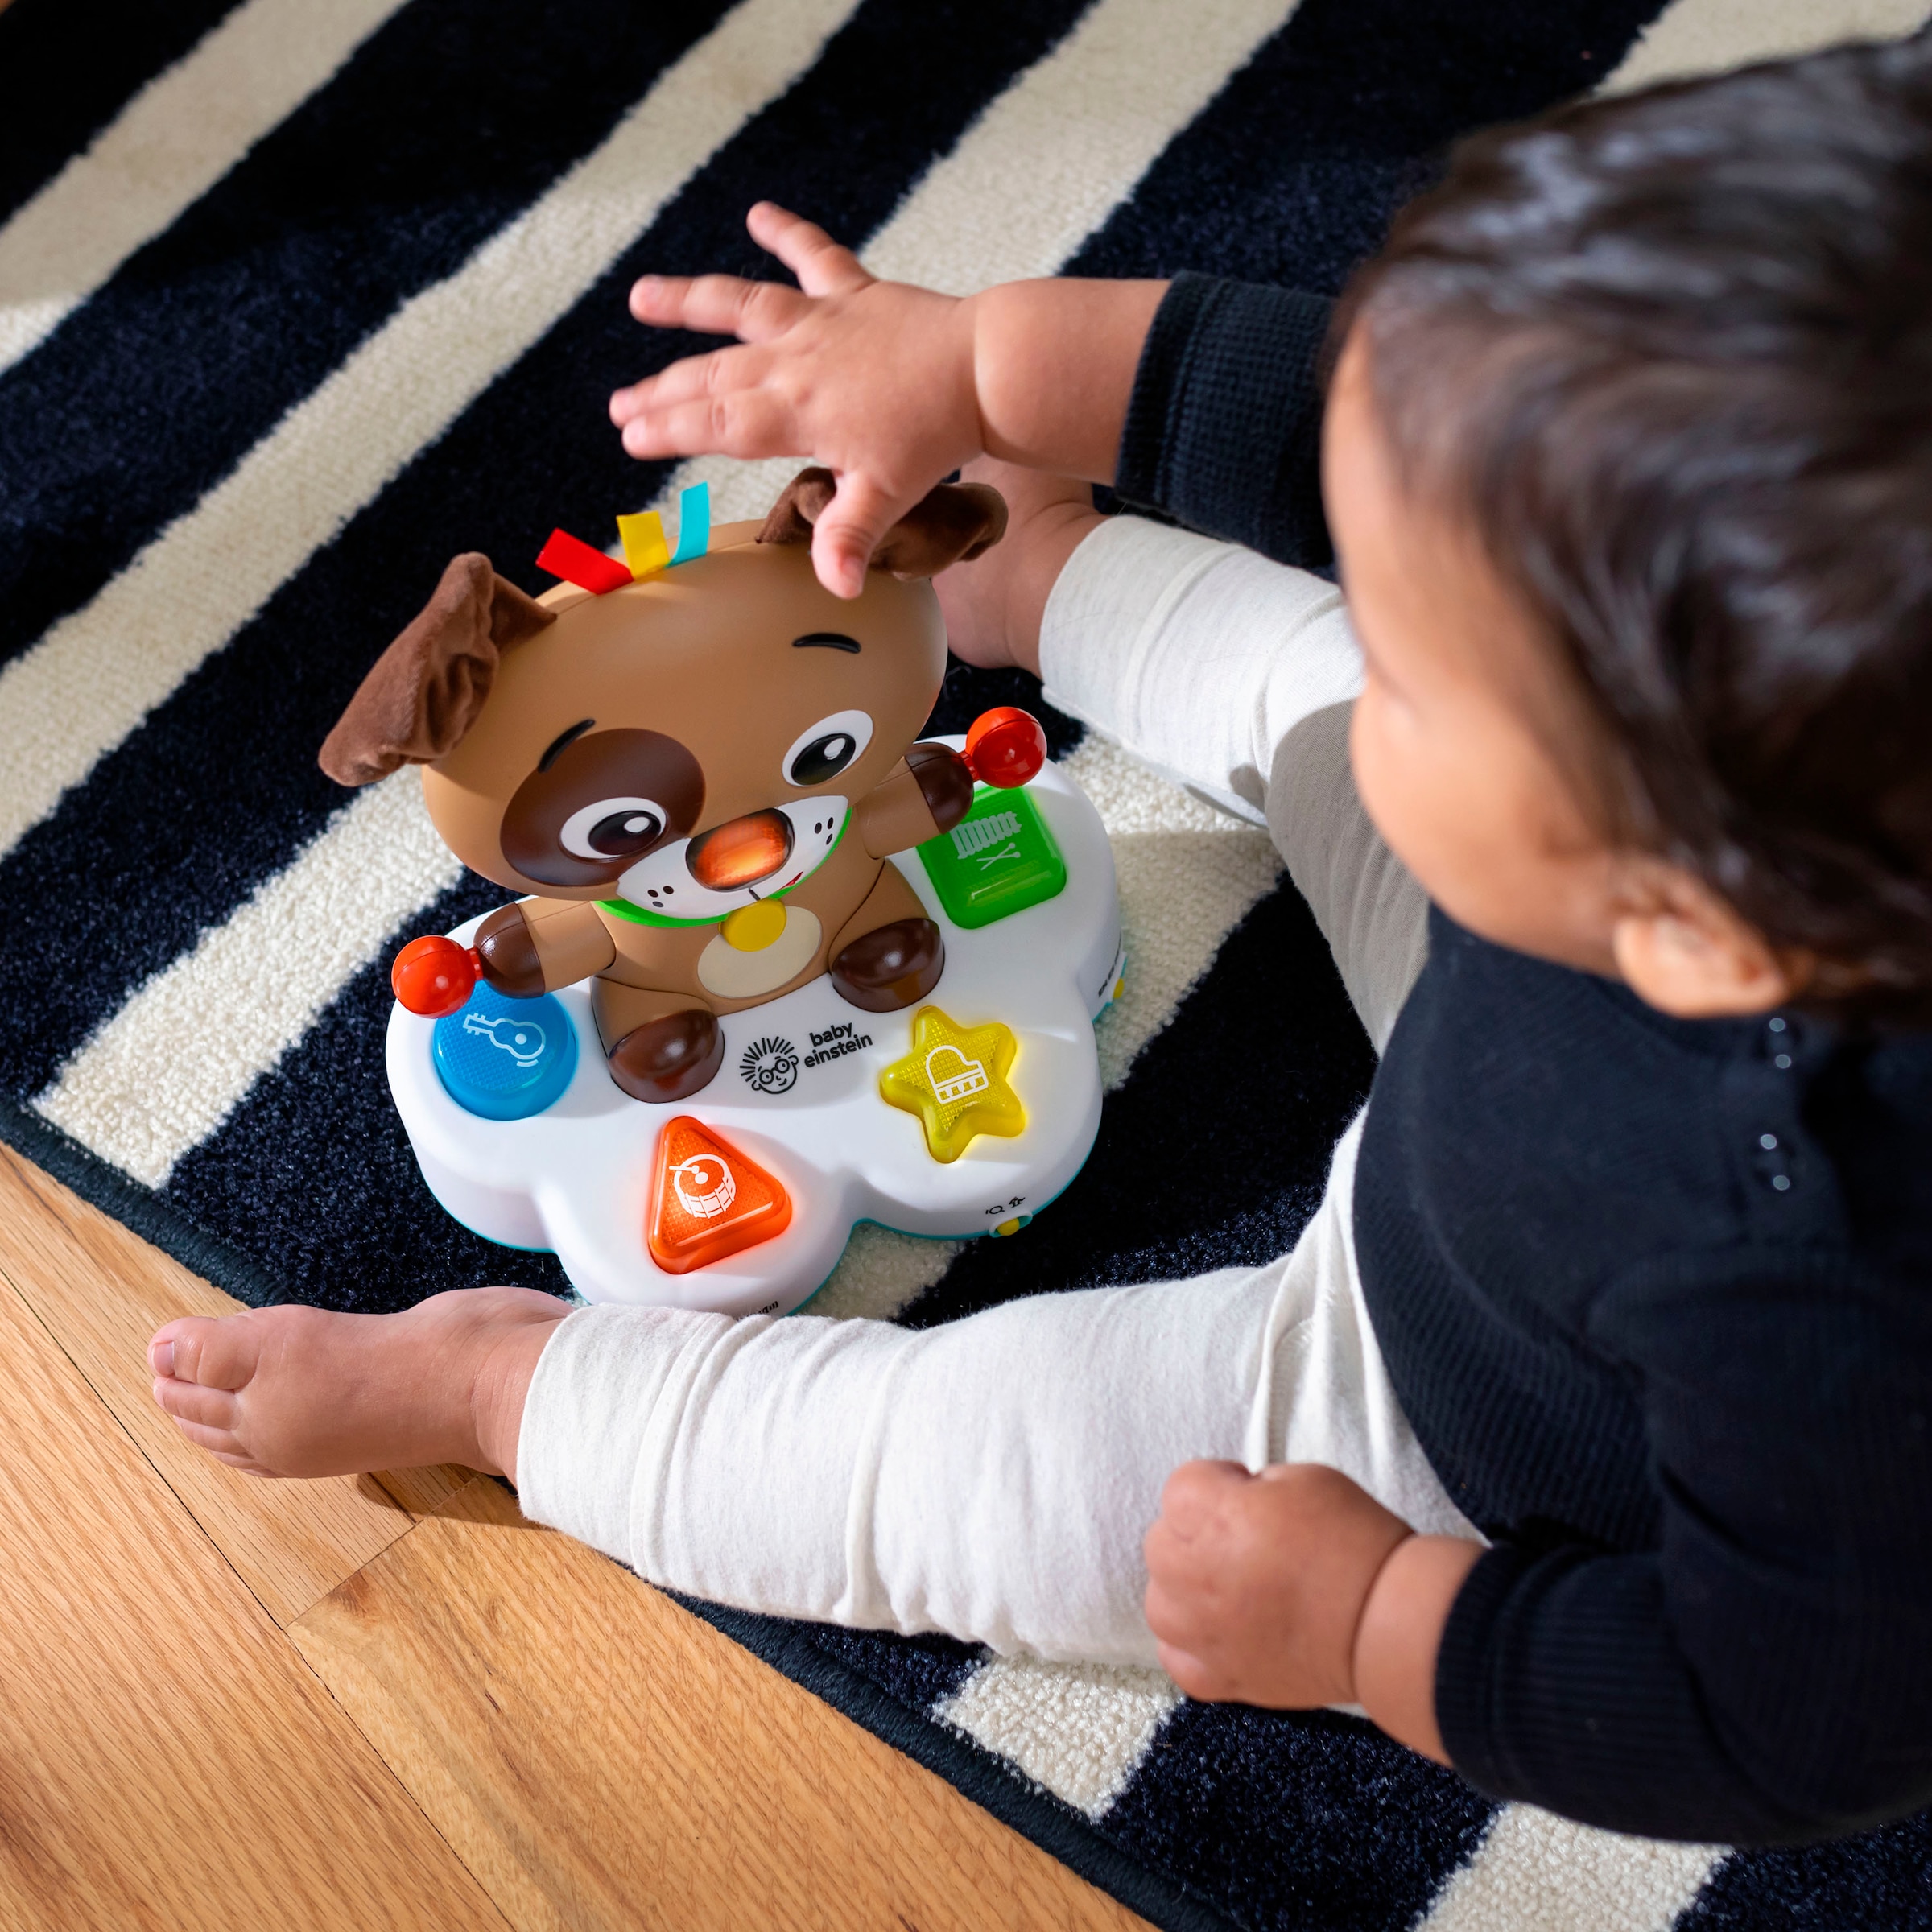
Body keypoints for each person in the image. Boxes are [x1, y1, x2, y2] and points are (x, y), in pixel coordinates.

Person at [147, 37, 1932, 1845]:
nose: (1376, 605)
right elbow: (1356, 420)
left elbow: (1787, 1717)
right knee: (1322, 680)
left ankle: (509, 1385)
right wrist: (989, 359)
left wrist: (1381, 1620)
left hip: (1439, 1409)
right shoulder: (1736, 637)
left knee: (961, 1475)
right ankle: (1053, 571)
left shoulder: (1824, 1308)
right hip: (1539, 992)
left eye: (1439, 658)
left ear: (1695, 922)